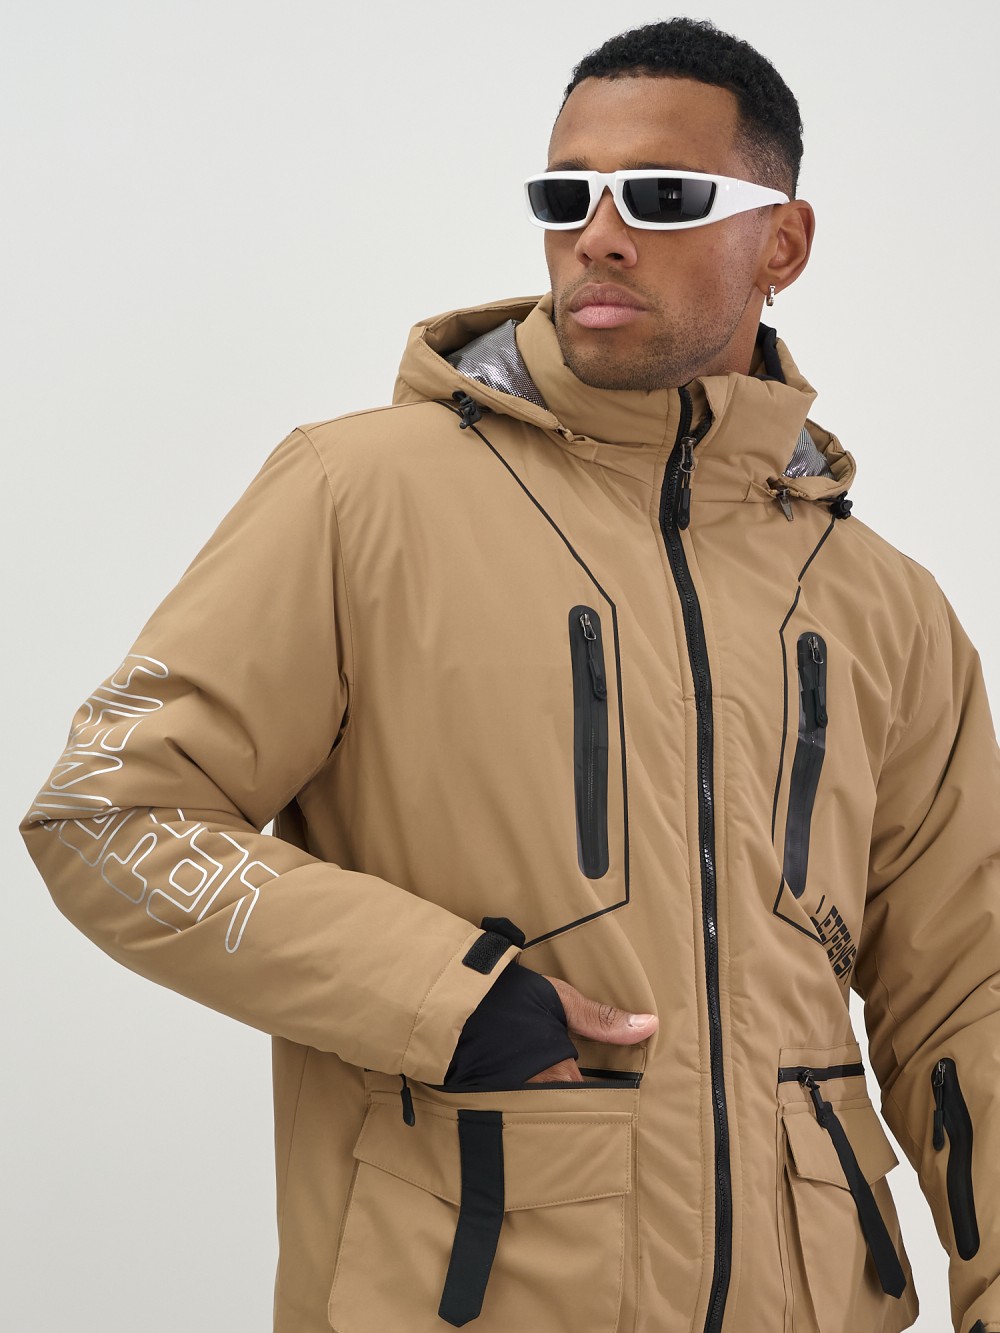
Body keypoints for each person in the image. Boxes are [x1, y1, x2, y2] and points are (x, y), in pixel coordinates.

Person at [18, 16, 999, 1333]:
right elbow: (109, 815)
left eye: (661, 197)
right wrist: (448, 996)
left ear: (783, 243)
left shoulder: (883, 604)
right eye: (564, 196)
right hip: (473, 1286)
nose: (599, 236)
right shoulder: (361, 497)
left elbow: (968, 991)